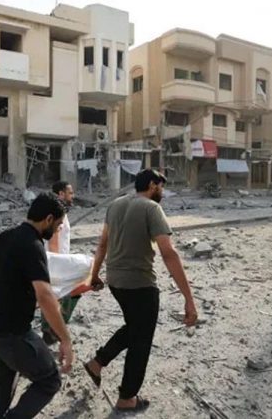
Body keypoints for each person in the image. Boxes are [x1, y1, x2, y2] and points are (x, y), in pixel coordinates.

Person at [83, 169, 197, 413]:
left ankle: (97, 362)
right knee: (141, 341)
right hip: (140, 285)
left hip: (116, 282)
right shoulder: (151, 208)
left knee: (135, 328)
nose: (162, 192)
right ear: (153, 185)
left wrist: (95, 275)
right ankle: (127, 397)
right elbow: (169, 252)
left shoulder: (115, 205)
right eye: (161, 187)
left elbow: (102, 243)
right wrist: (189, 298)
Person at [0, 192, 72, 419]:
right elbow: (45, 295)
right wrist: (65, 339)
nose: (58, 229)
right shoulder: (33, 246)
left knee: (5, 377)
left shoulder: (3, 237)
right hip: (12, 333)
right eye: (58, 224)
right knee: (49, 380)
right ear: (48, 219)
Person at [41, 181, 77, 345]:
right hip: (56, 262)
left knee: (55, 296)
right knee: (61, 295)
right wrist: (58, 265)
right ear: (61, 194)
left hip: (57, 261)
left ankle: (51, 331)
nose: (72, 196)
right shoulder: (57, 212)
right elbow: (54, 242)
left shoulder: (57, 210)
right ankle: (52, 331)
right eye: (70, 193)